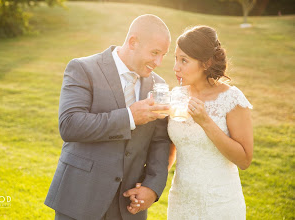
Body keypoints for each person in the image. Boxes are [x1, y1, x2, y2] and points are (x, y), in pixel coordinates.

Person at [44, 14, 172, 220]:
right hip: (80, 199)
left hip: (128, 206)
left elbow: (160, 141)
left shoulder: (159, 85)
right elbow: (70, 125)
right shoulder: (83, 68)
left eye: (163, 55)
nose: (158, 62)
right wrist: (129, 117)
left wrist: (152, 187)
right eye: (155, 53)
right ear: (133, 42)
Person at [129, 25, 253, 219]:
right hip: (181, 202)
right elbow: (170, 151)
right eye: (176, 59)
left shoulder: (232, 99)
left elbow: (244, 160)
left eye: (184, 60)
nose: (176, 67)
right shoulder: (176, 95)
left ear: (206, 63)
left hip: (220, 202)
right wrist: (148, 185)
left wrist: (206, 122)